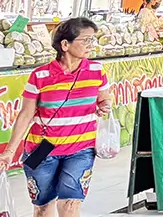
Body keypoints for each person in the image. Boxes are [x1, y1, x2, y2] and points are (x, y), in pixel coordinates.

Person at [3, 17, 113, 217]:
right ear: (65, 45)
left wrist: (104, 106)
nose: (91, 45)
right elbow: (26, 114)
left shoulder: (97, 70)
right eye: (86, 40)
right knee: (43, 208)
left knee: (70, 205)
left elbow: (104, 99)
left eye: (93, 40)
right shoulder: (40, 76)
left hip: (81, 149)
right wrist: (9, 152)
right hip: (41, 150)